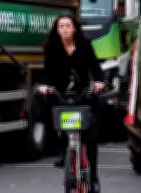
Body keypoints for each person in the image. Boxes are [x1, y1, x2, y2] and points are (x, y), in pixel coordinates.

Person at [38, 14, 104, 193]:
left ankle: (93, 177)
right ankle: (64, 152)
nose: (64, 29)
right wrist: (44, 86)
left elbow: (95, 67)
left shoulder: (85, 46)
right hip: (62, 94)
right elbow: (47, 71)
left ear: (74, 28)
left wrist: (98, 82)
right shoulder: (52, 48)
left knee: (90, 137)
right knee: (53, 119)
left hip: (83, 94)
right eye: (61, 26)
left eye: (68, 25)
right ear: (57, 30)